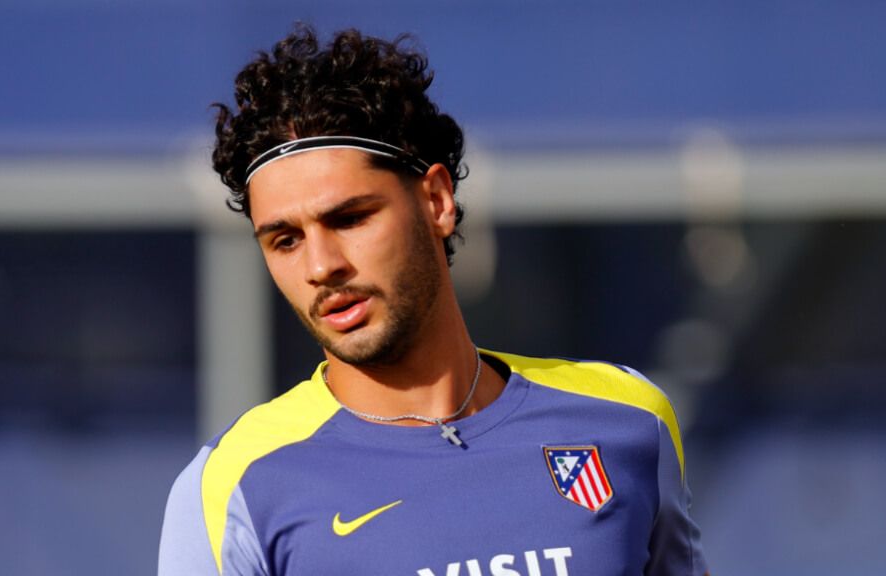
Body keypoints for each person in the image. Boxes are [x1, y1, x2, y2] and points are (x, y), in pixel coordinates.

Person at [159, 25, 708, 576]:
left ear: (437, 201)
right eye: (285, 239)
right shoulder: (234, 484)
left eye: (350, 219)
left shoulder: (628, 419)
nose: (321, 266)